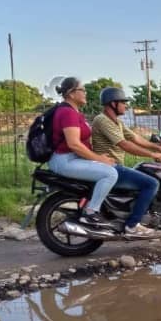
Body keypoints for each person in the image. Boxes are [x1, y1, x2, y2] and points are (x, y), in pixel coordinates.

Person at [91, 87, 161, 236]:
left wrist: (159, 147)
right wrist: (153, 155)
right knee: (152, 183)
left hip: (115, 167)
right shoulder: (102, 120)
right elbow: (125, 144)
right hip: (110, 168)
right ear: (113, 103)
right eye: (123, 102)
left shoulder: (116, 122)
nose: (126, 106)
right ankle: (133, 225)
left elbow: (135, 138)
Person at [48, 77, 118, 228]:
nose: (85, 93)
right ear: (71, 94)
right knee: (110, 173)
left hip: (70, 158)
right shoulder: (68, 113)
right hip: (65, 160)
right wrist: (100, 159)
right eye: (82, 90)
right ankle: (91, 213)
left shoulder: (73, 112)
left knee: (109, 169)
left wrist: (98, 158)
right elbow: (74, 144)